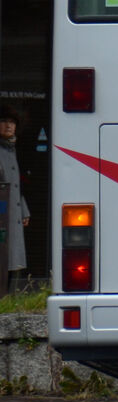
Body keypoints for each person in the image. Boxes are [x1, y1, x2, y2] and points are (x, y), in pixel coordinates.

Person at [0, 106, 30, 295]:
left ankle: (9, 299)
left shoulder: (12, 149)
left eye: (12, 122)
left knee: (12, 258)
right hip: (3, 212)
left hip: (11, 211)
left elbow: (16, 186)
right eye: (4, 121)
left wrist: (23, 211)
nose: (9, 126)